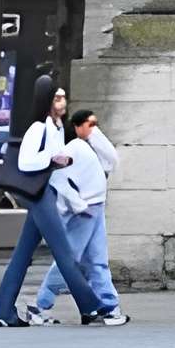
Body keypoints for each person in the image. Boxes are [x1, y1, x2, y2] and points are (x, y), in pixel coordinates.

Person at [0, 76, 104, 329]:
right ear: (47, 100)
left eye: (63, 97)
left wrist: (76, 202)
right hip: (39, 196)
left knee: (22, 256)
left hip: (45, 193)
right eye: (57, 97)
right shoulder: (38, 128)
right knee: (64, 254)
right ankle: (90, 307)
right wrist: (54, 158)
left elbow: (58, 174)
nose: (62, 102)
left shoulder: (56, 128)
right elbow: (27, 163)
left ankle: (2, 311)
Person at [31, 106, 125, 326]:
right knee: (69, 262)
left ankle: (109, 307)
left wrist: (94, 134)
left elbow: (112, 160)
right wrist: (78, 204)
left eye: (96, 124)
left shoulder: (89, 147)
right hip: (85, 212)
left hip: (95, 208)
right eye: (89, 124)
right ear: (76, 127)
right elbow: (56, 178)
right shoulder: (72, 148)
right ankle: (41, 305)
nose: (94, 128)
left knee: (97, 261)